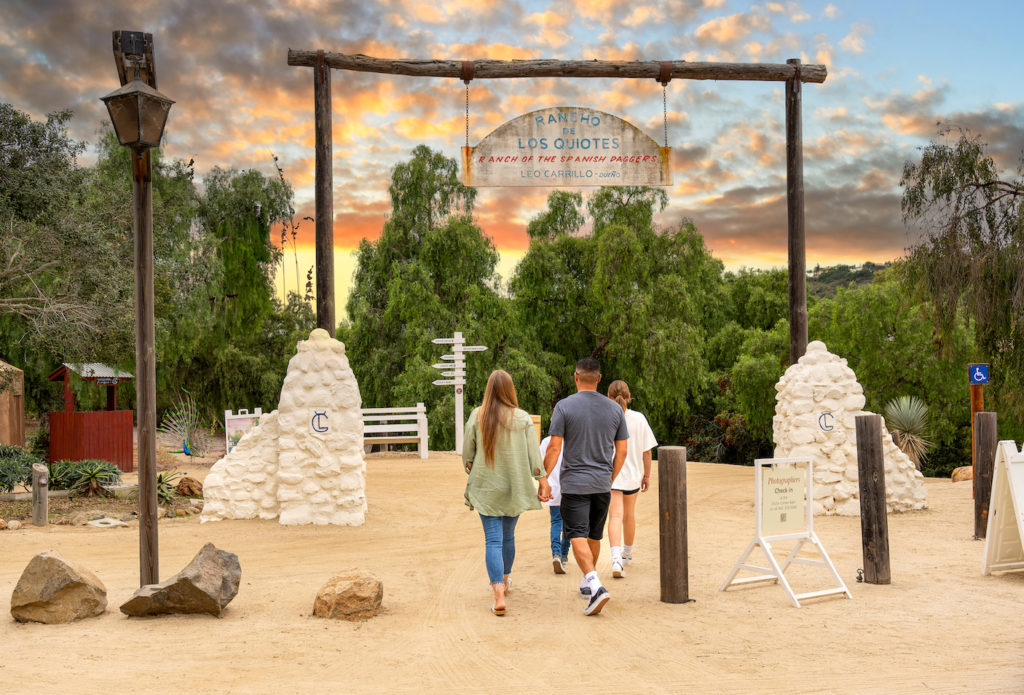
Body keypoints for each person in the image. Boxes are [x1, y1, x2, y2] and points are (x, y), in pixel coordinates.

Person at [538, 357, 628, 616]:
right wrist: (610, 477)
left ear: (575, 377)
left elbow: (554, 447)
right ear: (599, 379)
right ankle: (587, 583)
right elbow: (621, 451)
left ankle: (596, 585)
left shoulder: (564, 407)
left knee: (576, 534)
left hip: (575, 483)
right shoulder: (614, 410)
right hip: (602, 483)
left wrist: (544, 478)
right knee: (593, 536)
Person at [463, 369, 545, 616]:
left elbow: (467, 455)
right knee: (508, 537)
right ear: (510, 390)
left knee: (493, 540)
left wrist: (474, 471)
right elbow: (534, 456)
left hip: (487, 487)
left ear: (488, 389)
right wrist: (541, 480)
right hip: (515, 485)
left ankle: (497, 591)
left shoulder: (477, 416)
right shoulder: (522, 419)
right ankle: (505, 580)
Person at [606, 380, 658, 578]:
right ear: (629, 397)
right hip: (633, 476)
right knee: (629, 515)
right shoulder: (638, 418)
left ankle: (615, 559)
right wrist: (647, 475)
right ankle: (627, 553)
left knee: (615, 516)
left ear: (608, 397)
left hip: (612, 475)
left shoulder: (605, 417)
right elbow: (647, 452)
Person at [539, 435, 570, 574]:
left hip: (553, 488)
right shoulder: (572, 439)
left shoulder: (546, 442)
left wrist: (542, 484)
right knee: (569, 524)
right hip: (571, 488)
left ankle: (556, 554)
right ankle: (564, 555)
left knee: (556, 522)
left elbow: (539, 466)